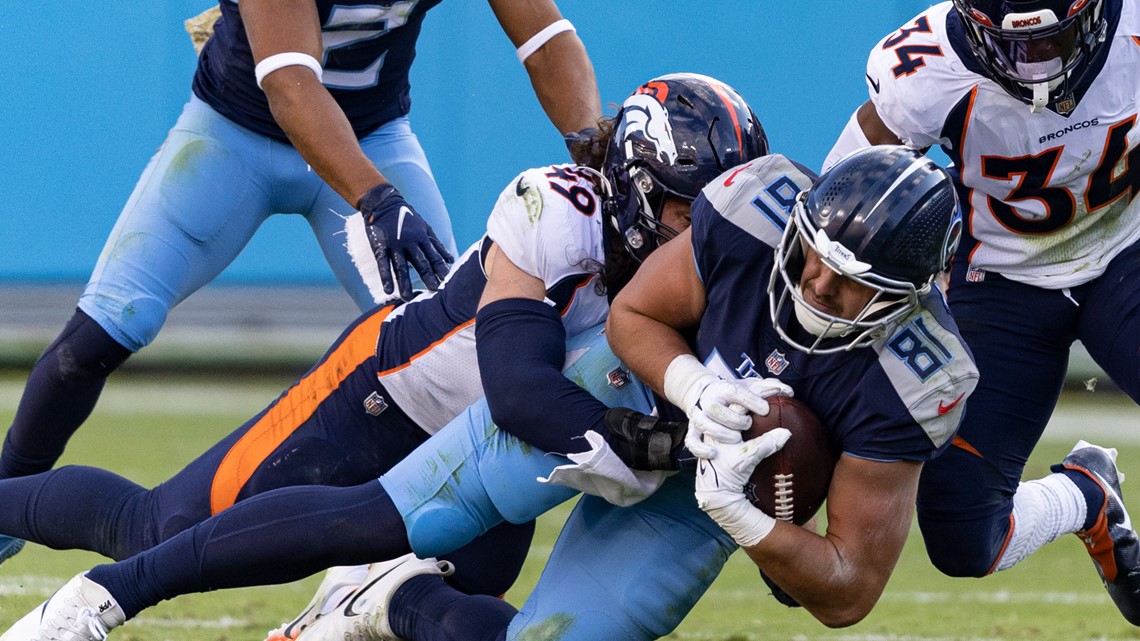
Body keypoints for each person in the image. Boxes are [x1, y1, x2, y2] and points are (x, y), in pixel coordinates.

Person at [0, 73, 770, 641]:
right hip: (387, 397)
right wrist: (645, 439)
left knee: (443, 597)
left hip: (490, 451)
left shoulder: (718, 268)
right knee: (152, 527)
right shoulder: (559, 207)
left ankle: (361, 605)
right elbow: (517, 388)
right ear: (632, 186)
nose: (697, 235)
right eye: (680, 209)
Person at [274, 144, 978, 641]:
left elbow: (848, 589)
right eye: (814, 256)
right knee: (408, 512)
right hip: (626, 385)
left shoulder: (923, 376)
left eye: (853, 280)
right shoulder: (757, 208)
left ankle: (394, 600)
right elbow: (634, 315)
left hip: (707, 488)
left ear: (909, 296)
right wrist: (694, 386)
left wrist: (745, 518)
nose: (819, 285)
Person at [0, 0, 601, 564]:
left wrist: (596, 149)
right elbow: (290, 85)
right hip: (235, 133)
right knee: (107, 327)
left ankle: (438, 580)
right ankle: (6, 505)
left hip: (374, 135)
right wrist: (377, 198)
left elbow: (545, 38)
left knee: (462, 360)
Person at [823, 0, 1140, 623]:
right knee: (963, 533)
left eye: (1055, 40)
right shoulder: (925, 70)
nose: (1036, 67)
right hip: (1000, 285)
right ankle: (1085, 496)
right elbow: (843, 189)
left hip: (1129, 251)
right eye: (1016, 46)